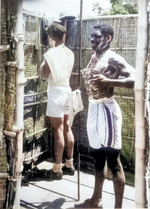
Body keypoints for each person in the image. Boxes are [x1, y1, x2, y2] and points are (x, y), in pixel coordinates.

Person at [75, 23, 136, 208]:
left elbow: (135, 78)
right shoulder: (95, 55)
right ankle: (96, 199)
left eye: (96, 37)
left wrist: (108, 81)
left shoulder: (113, 58)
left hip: (107, 110)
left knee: (113, 161)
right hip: (93, 109)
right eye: (91, 36)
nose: (92, 39)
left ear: (108, 39)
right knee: (97, 157)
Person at [39, 23, 75, 181]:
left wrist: (42, 64)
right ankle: (69, 164)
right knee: (67, 127)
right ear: (63, 36)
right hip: (68, 90)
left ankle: (56, 170)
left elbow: (44, 75)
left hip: (56, 92)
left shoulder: (51, 53)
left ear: (51, 37)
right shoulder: (69, 53)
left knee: (58, 130)